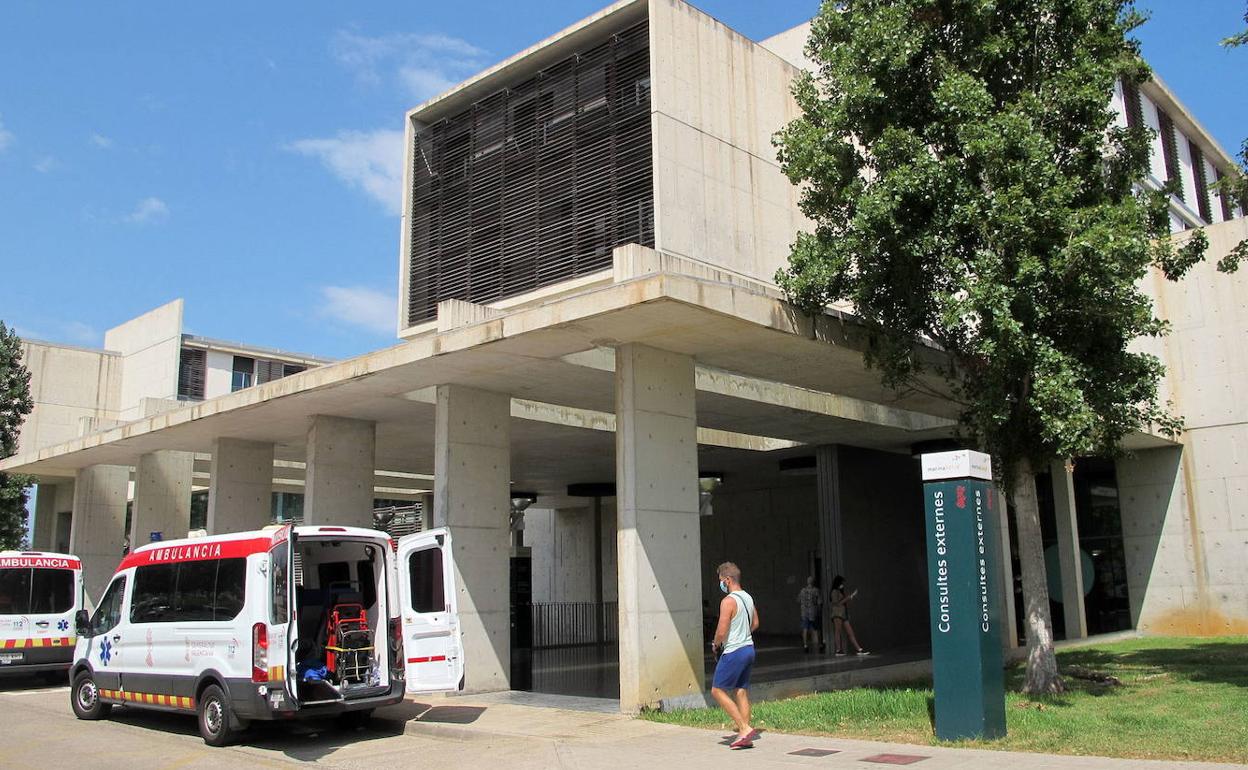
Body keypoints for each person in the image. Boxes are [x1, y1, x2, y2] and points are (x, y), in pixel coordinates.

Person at [710, 561, 760, 750]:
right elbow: (755, 623)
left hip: (734, 651)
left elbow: (722, 630)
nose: (721, 584)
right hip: (749, 648)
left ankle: (744, 728)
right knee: (740, 690)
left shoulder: (728, 601)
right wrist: (743, 632)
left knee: (717, 690)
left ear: (728, 580)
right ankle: (744, 735)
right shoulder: (748, 598)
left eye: (721, 580)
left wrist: (716, 644)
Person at [829, 575, 869, 656]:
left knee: (850, 632)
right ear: (838, 583)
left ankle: (859, 649)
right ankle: (838, 650)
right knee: (838, 631)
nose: (842, 585)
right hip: (837, 614)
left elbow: (842, 603)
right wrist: (849, 597)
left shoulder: (840, 591)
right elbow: (837, 603)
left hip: (843, 614)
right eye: (841, 583)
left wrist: (850, 597)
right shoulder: (834, 591)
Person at [796, 575, 823, 653]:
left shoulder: (802, 591)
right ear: (813, 582)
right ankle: (820, 645)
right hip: (813, 613)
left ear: (807, 582)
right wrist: (819, 611)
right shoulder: (816, 590)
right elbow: (819, 602)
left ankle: (805, 645)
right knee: (817, 629)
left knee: (805, 629)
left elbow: (798, 600)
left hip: (804, 613)